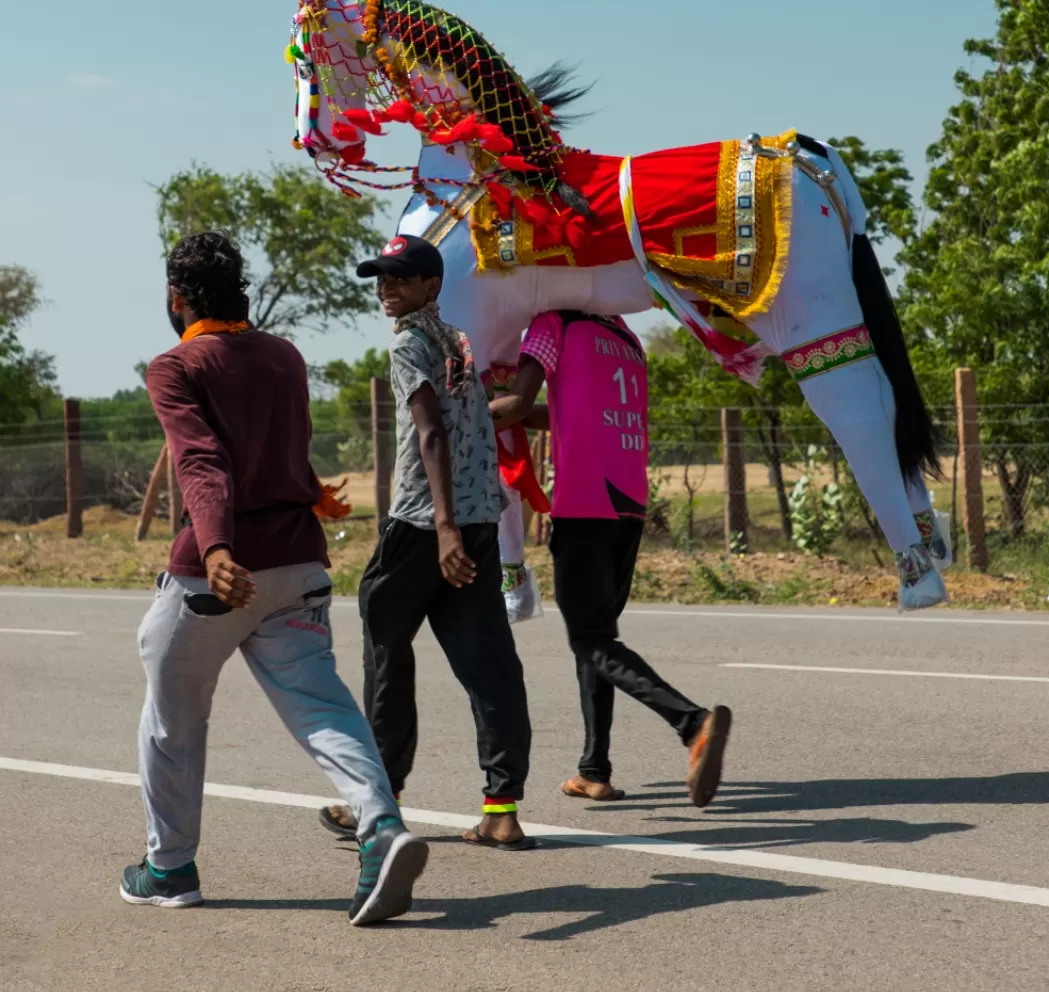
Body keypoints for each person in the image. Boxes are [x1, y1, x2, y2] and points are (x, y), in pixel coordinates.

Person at [123, 231, 427, 925]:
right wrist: (309, 490)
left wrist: (217, 545)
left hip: (217, 577)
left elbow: (201, 460)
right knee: (323, 707)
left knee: (172, 719)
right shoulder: (284, 355)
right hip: (299, 566)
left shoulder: (175, 365)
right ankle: (380, 825)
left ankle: (168, 868)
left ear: (176, 297)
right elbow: (277, 446)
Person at [491, 310, 731, 806]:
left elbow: (517, 403)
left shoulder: (554, 324)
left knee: (592, 640)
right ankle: (593, 770)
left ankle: (692, 722)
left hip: (584, 505)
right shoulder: (624, 335)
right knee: (596, 642)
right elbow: (566, 413)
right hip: (628, 506)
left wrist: (457, 409)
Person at [343, 233, 534, 850]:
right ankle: (501, 810)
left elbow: (431, 435)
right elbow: (474, 416)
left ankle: (379, 801)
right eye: (381, 278)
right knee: (489, 665)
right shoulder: (457, 341)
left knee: (385, 650)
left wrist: (444, 528)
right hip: (478, 523)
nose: (386, 288)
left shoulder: (408, 346)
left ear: (432, 284)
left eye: (399, 277)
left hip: (428, 525)